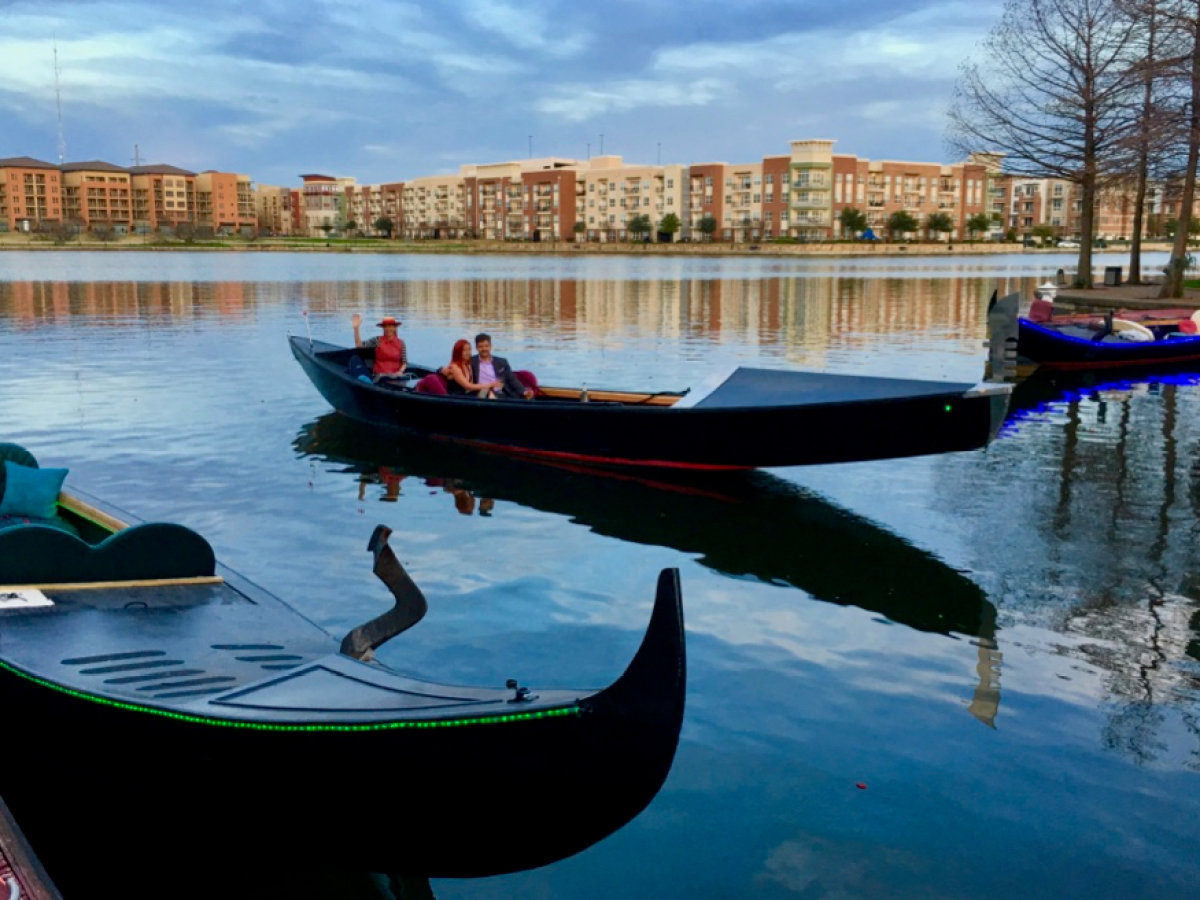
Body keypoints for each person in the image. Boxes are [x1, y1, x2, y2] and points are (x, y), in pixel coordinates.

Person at [441, 333, 534, 399]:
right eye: (481, 346)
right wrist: (441, 369)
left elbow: (512, 380)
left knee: (529, 397)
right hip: (482, 395)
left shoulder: (502, 362)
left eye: (486, 346)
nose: (484, 349)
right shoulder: (471, 361)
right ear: (477, 348)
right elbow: (455, 366)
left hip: (502, 394)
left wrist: (523, 391)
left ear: (490, 346)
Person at [351, 314, 407, 381]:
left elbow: (404, 363)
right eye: (386, 327)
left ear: (395, 328)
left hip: (396, 376)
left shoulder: (401, 343)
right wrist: (356, 329)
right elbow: (359, 345)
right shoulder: (377, 340)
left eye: (390, 326)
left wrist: (400, 372)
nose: (388, 329)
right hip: (380, 376)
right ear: (383, 328)